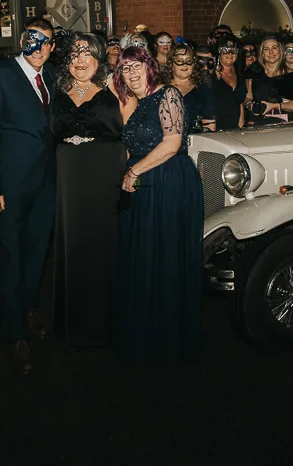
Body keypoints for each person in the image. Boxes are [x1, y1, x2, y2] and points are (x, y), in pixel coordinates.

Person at [0, 17, 57, 376]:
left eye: (46, 42)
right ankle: (14, 336)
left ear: (52, 47)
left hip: (45, 184)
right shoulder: (0, 75)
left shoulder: (51, 77)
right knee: (9, 257)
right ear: (23, 41)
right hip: (8, 186)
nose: (39, 48)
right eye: (32, 40)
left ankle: (28, 308)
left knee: (37, 250)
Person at [114, 46, 203, 363]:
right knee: (145, 256)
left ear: (150, 67)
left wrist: (134, 171)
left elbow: (172, 142)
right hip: (145, 187)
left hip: (169, 183)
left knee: (165, 256)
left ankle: (168, 339)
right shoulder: (135, 105)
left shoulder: (168, 94)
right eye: (125, 68)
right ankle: (147, 333)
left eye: (137, 65)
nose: (132, 72)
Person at [50, 34, 126, 347]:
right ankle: (73, 322)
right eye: (74, 55)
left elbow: (131, 132)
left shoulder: (115, 89)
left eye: (87, 54)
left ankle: (104, 321)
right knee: (73, 241)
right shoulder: (56, 90)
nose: (81, 61)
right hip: (68, 176)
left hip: (104, 173)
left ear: (98, 58)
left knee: (101, 241)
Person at [245, 35, 293, 124]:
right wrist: (250, 105)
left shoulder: (291, 75)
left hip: (283, 124)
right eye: (266, 49)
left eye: (274, 48)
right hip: (257, 122)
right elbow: (248, 97)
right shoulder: (253, 71)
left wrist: (274, 105)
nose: (271, 52)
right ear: (262, 53)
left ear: (280, 51)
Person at [167, 43, 216, 132]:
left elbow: (209, 126)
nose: (185, 64)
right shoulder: (161, 88)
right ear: (171, 63)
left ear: (193, 64)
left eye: (188, 60)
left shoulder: (203, 90)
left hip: (194, 142)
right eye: (179, 61)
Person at [206, 36, 245, 130]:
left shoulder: (240, 75)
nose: (230, 54)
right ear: (219, 51)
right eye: (226, 50)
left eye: (233, 50)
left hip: (235, 130)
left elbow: (240, 104)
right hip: (215, 128)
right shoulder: (211, 73)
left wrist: (241, 129)